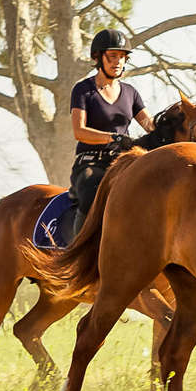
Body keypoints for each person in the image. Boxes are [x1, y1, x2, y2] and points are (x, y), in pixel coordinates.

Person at [65, 29, 155, 241]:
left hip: (123, 163)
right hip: (90, 164)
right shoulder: (83, 90)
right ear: (98, 57)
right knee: (90, 193)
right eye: (112, 56)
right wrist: (113, 138)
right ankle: (79, 253)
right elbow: (80, 131)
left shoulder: (131, 93)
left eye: (122, 57)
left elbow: (150, 125)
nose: (118, 62)